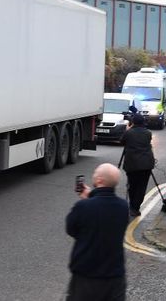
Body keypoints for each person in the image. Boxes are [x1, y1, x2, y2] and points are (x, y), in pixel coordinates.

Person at [65, 163, 129, 301]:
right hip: (115, 276)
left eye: (95, 173)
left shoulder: (82, 206)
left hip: (86, 275)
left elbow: (71, 229)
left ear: (99, 180)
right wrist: (91, 197)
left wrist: (88, 199)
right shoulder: (124, 207)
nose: (92, 175)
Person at [120, 113, 155, 217]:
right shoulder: (148, 133)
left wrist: (127, 129)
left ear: (133, 122)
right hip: (146, 165)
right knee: (141, 187)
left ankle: (132, 207)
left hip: (132, 165)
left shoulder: (129, 133)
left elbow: (122, 142)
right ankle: (135, 208)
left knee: (132, 186)